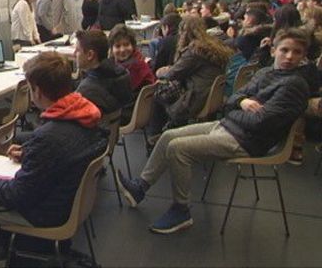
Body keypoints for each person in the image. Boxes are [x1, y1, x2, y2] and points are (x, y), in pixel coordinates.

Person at [117, 28, 311, 234]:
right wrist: (243, 102)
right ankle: (140, 187)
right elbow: (233, 100)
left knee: (177, 148)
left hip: (247, 141)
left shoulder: (294, 85)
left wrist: (235, 109)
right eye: (285, 50)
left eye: (296, 52)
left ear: (304, 56)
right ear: (273, 51)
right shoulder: (265, 73)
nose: (289, 56)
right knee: (167, 136)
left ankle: (181, 210)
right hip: (232, 127)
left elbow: (260, 122)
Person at [0, 52, 106, 267]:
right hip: (65, 200)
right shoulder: (86, 113)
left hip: (43, 211)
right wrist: (29, 153)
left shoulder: (49, 137)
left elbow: (17, 195)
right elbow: (64, 152)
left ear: (38, 91)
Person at [146, 16, 232, 145]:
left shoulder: (194, 51)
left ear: (184, 32)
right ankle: (172, 129)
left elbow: (172, 74)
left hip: (195, 98)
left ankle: (155, 138)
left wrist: (161, 71)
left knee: (157, 93)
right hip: (210, 95)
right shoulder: (213, 47)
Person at [74, 29, 132, 115]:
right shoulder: (122, 73)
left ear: (90, 55)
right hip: (116, 123)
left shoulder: (86, 90)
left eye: (78, 50)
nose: (74, 54)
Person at [109, 24, 155, 95]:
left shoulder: (138, 66)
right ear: (111, 49)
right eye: (118, 46)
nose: (122, 50)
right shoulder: (111, 66)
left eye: (126, 44)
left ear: (133, 46)